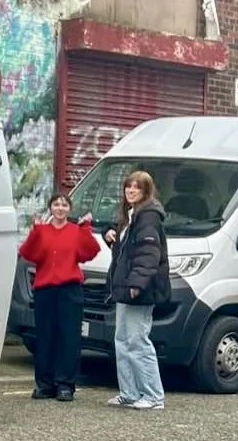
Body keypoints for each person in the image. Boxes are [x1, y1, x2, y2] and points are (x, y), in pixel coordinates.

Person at [17, 192, 99, 401]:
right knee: (45, 337)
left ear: (69, 209)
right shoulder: (42, 231)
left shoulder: (75, 231)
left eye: (64, 205)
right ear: (51, 208)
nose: (60, 208)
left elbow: (89, 252)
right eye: (56, 204)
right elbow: (28, 253)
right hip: (45, 290)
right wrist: (35, 231)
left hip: (69, 290)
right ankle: (44, 384)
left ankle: (65, 384)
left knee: (68, 338)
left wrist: (86, 230)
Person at [103, 170, 170, 410]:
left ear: (146, 191)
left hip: (138, 291)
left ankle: (153, 396)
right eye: (128, 187)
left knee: (138, 341)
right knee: (122, 340)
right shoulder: (130, 216)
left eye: (136, 187)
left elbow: (148, 254)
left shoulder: (148, 217)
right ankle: (129, 392)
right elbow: (127, 249)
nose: (131, 191)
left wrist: (136, 284)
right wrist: (110, 236)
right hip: (125, 289)